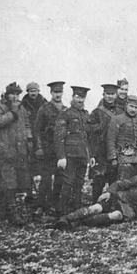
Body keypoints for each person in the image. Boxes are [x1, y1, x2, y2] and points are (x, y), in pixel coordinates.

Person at [53, 161, 137, 229]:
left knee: (115, 215)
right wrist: (109, 192)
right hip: (117, 199)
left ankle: (76, 224)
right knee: (96, 208)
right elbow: (119, 184)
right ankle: (65, 219)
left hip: (128, 210)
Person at [0, 83, 32, 224]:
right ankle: (12, 213)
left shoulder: (21, 108)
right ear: (6, 94)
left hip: (19, 151)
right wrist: (12, 113)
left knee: (20, 181)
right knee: (8, 182)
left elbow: (26, 125)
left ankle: (15, 211)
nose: (15, 97)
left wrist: (29, 141)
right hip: (3, 151)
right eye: (12, 94)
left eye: (17, 94)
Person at [54, 86, 93, 215]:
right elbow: (59, 136)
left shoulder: (86, 115)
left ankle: (76, 210)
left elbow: (88, 137)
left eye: (82, 97)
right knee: (68, 183)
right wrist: (61, 156)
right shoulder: (65, 114)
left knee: (79, 183)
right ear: (73, 97)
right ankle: (61, 211)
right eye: (77, 97)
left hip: (82, 155)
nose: (80, 100)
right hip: (70, 156)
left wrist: (91, 156)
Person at [33, 81, 66, 215]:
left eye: (60, 92)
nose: (58, 95)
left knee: (59, 178)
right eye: (55, 92)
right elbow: (37, 130)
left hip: (60, 151)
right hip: (47, 150)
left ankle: (55, 204)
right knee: (45, 179)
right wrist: (39, 147)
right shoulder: (44, 109)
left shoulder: (65, 109)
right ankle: (41, 205)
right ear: (51, 93)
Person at [107, 95, 137, 180]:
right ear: (126, 106)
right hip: (124, 159)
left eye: (136, 107)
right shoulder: (117, 119)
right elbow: (111, 140)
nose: (133, 110)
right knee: (124, 183)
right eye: (131, 106)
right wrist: (113, 158)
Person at [89, 84, 123, 203]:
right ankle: (95, 204)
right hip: (101, 151)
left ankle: (112, 205)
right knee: (98, 180)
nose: (110, 97)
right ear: (103, 95)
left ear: (116, 95)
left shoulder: (121, 111)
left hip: (115, 151)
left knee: (114, 179)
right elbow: (91, 132)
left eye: (112, 94)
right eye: (107, 94)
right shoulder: (96, 112)